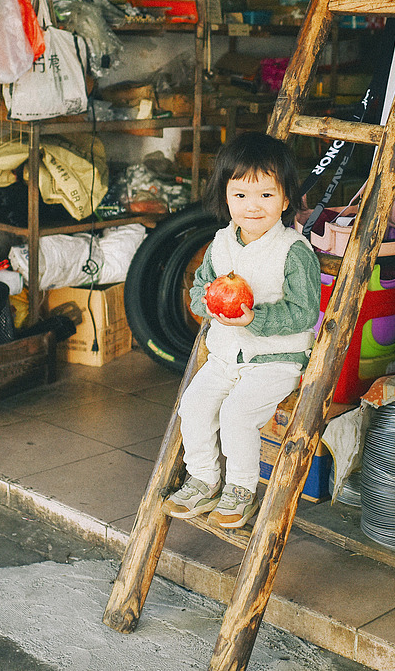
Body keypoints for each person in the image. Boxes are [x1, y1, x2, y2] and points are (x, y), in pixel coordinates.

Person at [166, 132, 320, 529]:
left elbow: (304, 313)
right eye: (241, 196)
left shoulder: (292, 251)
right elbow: (200, 288)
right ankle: (203, 477)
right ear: (225, 196)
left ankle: (240, 490)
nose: (253, 207)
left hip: (275, 361)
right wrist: (208, 306)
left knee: (236, 414)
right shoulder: (220, 244)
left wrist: (255, 319)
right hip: (225, 355)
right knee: (193, 405)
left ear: (286, 200)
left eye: (266, 196)